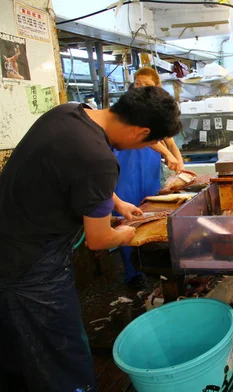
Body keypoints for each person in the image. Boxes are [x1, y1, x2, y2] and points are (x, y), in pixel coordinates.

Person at [0, 86, 181, 392]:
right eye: (148, 143)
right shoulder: (100, 158)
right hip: (31, 264)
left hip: (11, 241)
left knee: (20, 347)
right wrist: (125, 234)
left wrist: (117, 202)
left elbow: (76, 170)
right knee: (61, 354)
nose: (142, 149)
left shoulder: (69, 113)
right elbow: (98, 240)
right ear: (141, 132)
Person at [114, 67, 185, 285]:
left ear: (157, 87)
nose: (141, 88)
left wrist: (180, 163)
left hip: (148, 170)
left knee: (152, 214)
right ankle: (133, 273)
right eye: (138, 84)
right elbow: (150, 139)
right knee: (128, 215)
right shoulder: (129, 109)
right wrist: (167, 156)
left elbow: (168, 139)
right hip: (127, 166)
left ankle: (153, 263)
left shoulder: (156, 110)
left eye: (146, 85)